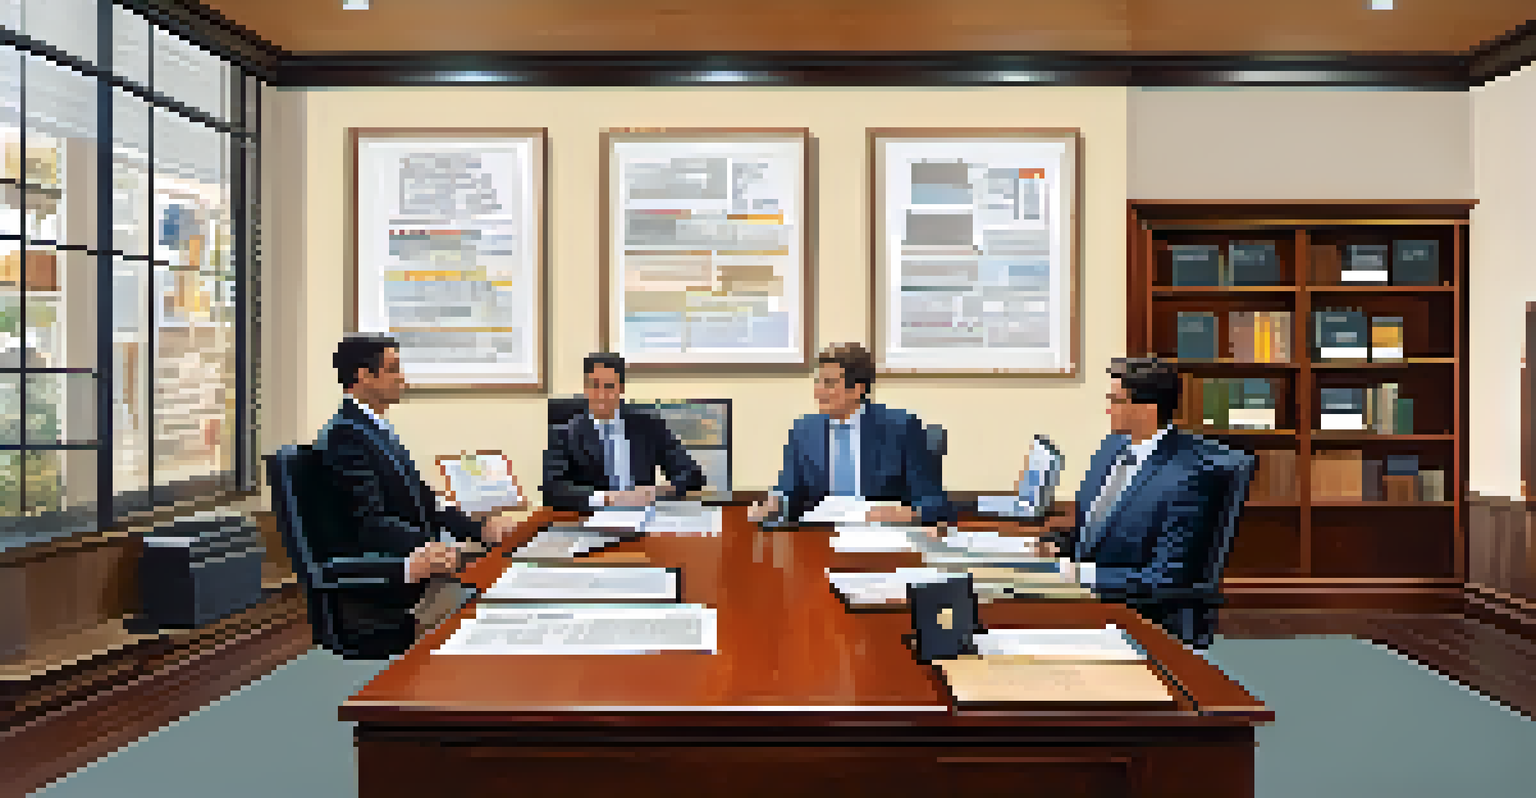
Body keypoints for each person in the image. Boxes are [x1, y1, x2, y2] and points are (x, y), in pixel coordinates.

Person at [311, 334, 520, 658]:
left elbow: (426, 502)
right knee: (498, 606)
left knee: (504, 584)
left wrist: (480, 530)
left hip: (419, 562)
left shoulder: (375, 431)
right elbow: (369, 524)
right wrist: (433, 546)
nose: (403, 378)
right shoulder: (345, 437)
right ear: (364, 376)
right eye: (393, 369)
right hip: (393, 577)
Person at [1037, 357, 1249, 647]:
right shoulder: (1112, 448)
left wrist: (1076, 574)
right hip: (1087, 597)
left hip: (1137, 615)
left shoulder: (1189, 477)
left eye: (1117, 400)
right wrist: (1057, 544)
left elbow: (1165, 579)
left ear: (1147, 409)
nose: (1108, 409)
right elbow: (1096, 532)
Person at [749, 342, 953, 526]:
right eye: (818, 382)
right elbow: (788, 490)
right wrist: (775, 505)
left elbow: (935, 502)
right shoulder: (803, 431)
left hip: (881, 536)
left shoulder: (901, 428)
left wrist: (909, 513)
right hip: (820, 534)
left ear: (857, 389)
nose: (818, 391)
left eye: (829, 383)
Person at [541, 352, 705, 511]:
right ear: (585, 387)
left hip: (643, 515)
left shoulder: (648, 425)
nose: (601, 394)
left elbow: (692, 474)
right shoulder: (565, 433)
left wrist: (655, 492)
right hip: (592, 517)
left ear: (621, 388)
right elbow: (552, 490)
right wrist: (608, 498)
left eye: (609, 386)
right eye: (595, 385)